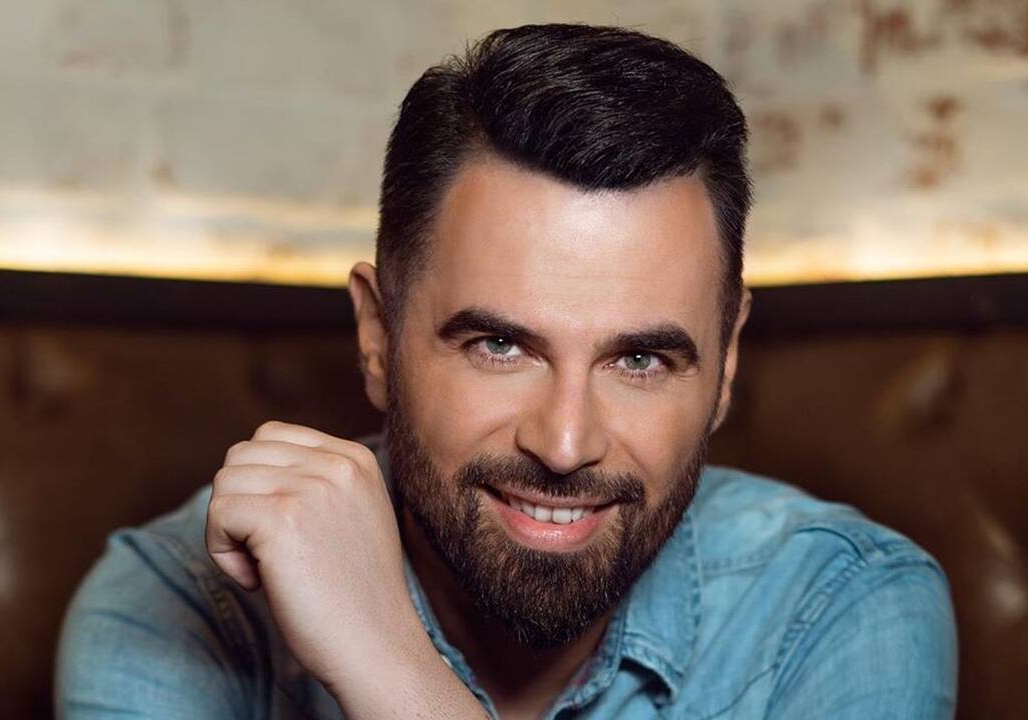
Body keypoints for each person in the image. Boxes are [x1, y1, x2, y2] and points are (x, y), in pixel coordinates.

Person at [56, 23, 957, 719]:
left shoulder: (841, 607)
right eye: (500, 346)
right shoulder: (172, 605)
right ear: (376, 336)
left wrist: (387, 666)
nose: (564, 444)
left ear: (725, 365)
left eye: (640, 359)